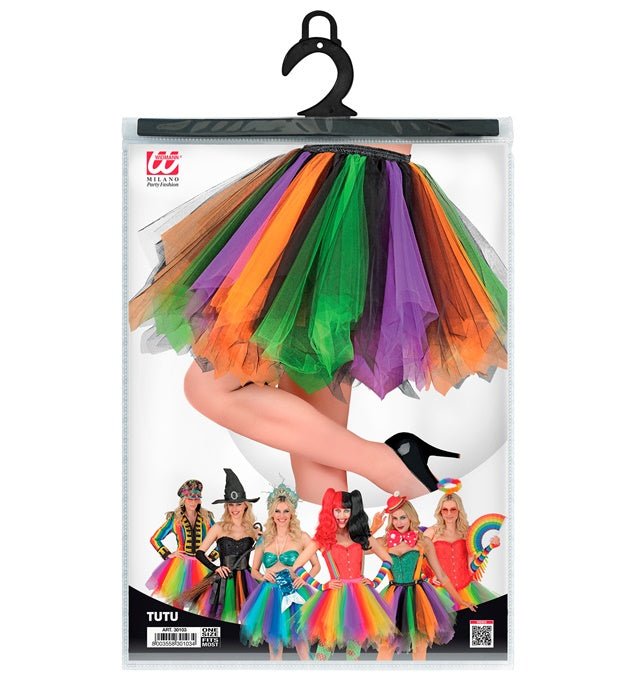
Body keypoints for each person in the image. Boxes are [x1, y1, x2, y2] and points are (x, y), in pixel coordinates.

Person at [129, 144, 507, 502]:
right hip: (354, 189)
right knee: (317, 456)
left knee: (210, 390)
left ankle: (389, 466)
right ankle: (364, 511)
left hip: (337, 193)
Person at [292, 488, 397, 660]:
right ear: (331, 512)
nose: (342, 516)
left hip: (361, 599)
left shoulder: (362, 537)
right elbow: (297, 566)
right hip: (333, 598)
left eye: (346, 510)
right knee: (323, 652)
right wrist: (321, 586)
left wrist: (375, 582)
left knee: (353, 653)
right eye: (337, 511)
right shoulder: (323, 539)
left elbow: (388, 560)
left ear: (353, 511)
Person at [372, 493, 474, 661]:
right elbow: (359, 548)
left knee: (420, 646)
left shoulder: (423, 542)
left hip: (418, 597)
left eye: (403, 517)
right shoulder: (384, 541)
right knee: (386, 645)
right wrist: (373, 528)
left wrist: (460, 599)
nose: (399, 522)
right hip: (393, 597)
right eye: (395, 518)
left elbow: (441, 575)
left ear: (410, 517)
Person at [239, 483, 319, 660]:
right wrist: (263, 576)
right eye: (277, 511)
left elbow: (316, 566)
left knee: (303, 647)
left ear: (292, 514)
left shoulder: (302, 537)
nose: (281, 516)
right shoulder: (263, 540)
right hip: (270, 596)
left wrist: (304, 579)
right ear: (272, 514)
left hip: (296, 593)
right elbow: (254, 570)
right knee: (275, 649)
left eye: (286, 511)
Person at [179, 469, 260, 622]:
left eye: (238, 504)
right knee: (225, 620)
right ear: (226, 506)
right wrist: (216, 568)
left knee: (249, 621)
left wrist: (264, 539)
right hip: (224, 579)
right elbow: (200, 553)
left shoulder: (252, 530)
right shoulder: (218, 527)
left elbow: (270, 550)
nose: (234, 509)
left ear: (245, 506)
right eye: (231, 505)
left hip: (247, 581)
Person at [146, 479, 217, 607]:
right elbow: (155, 539)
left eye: (196, 499)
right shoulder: (175, 519)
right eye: (190, 499)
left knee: (203, 603)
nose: (193, 502)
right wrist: (167, 554)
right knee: (178, 602)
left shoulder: (207, 518)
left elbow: (222, 539)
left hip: (202, 565)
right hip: (180, 566)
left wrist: (211, 557)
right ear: (183, 500)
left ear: (200, 500)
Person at [425, 492, 499, 606]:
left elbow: (471, 569)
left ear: (459, 510)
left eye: (453, 509)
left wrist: (489, 548)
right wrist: (430, 577)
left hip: (467, 590)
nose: (449, 514)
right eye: (445, 509)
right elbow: (416, 559)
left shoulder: (468, 533)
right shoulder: (431, 533)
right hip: (440, 593)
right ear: (440, 511)